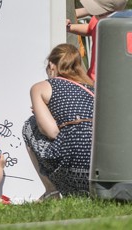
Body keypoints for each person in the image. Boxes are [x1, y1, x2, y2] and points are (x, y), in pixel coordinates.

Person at [23, 43, 95, 199]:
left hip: (72, 172)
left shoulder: (41, 87)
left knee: (30, 124)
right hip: (99, 176)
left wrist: (42, 117)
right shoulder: (93, 90)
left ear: (51, 65)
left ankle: (51, 191)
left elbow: (52, 132)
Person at [66, 0, 132, 80]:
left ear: (114, 13)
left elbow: (129, 68)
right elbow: (90, 29)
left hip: (107, 83)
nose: (95, 14)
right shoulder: (99, 20)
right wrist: (69, 28)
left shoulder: (126, 36)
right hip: (91, 80)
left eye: (99, 12)